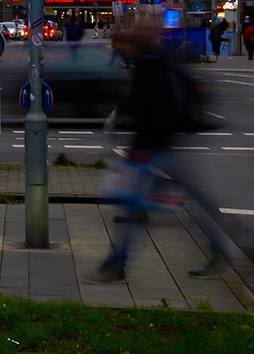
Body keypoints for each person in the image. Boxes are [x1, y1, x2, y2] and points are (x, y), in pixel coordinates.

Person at [86, 23, 228, 283]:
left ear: (136, 45)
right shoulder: (158, 63)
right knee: (185, 200)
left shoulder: (150, 67)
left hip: (153, 148)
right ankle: (220, 250)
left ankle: (116, 264)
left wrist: (130, 135)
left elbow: (149, 109)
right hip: (164, 146)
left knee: (136, 204)